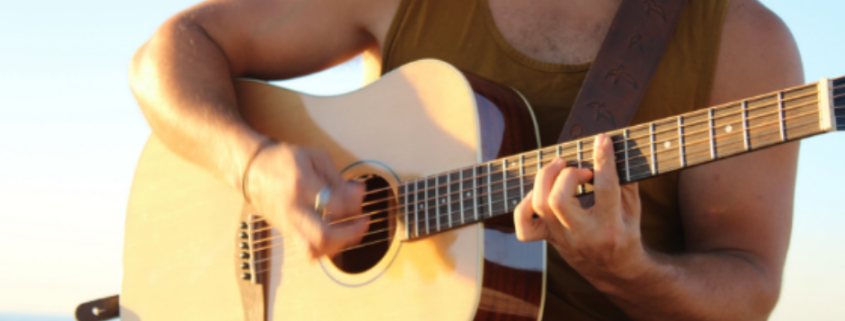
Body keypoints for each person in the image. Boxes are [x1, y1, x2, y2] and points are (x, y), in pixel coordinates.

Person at [128, 0, 803, 319]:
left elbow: (746, 287)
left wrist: (629, 270)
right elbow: (170, 53)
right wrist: (253, 166)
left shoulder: (743, 41)